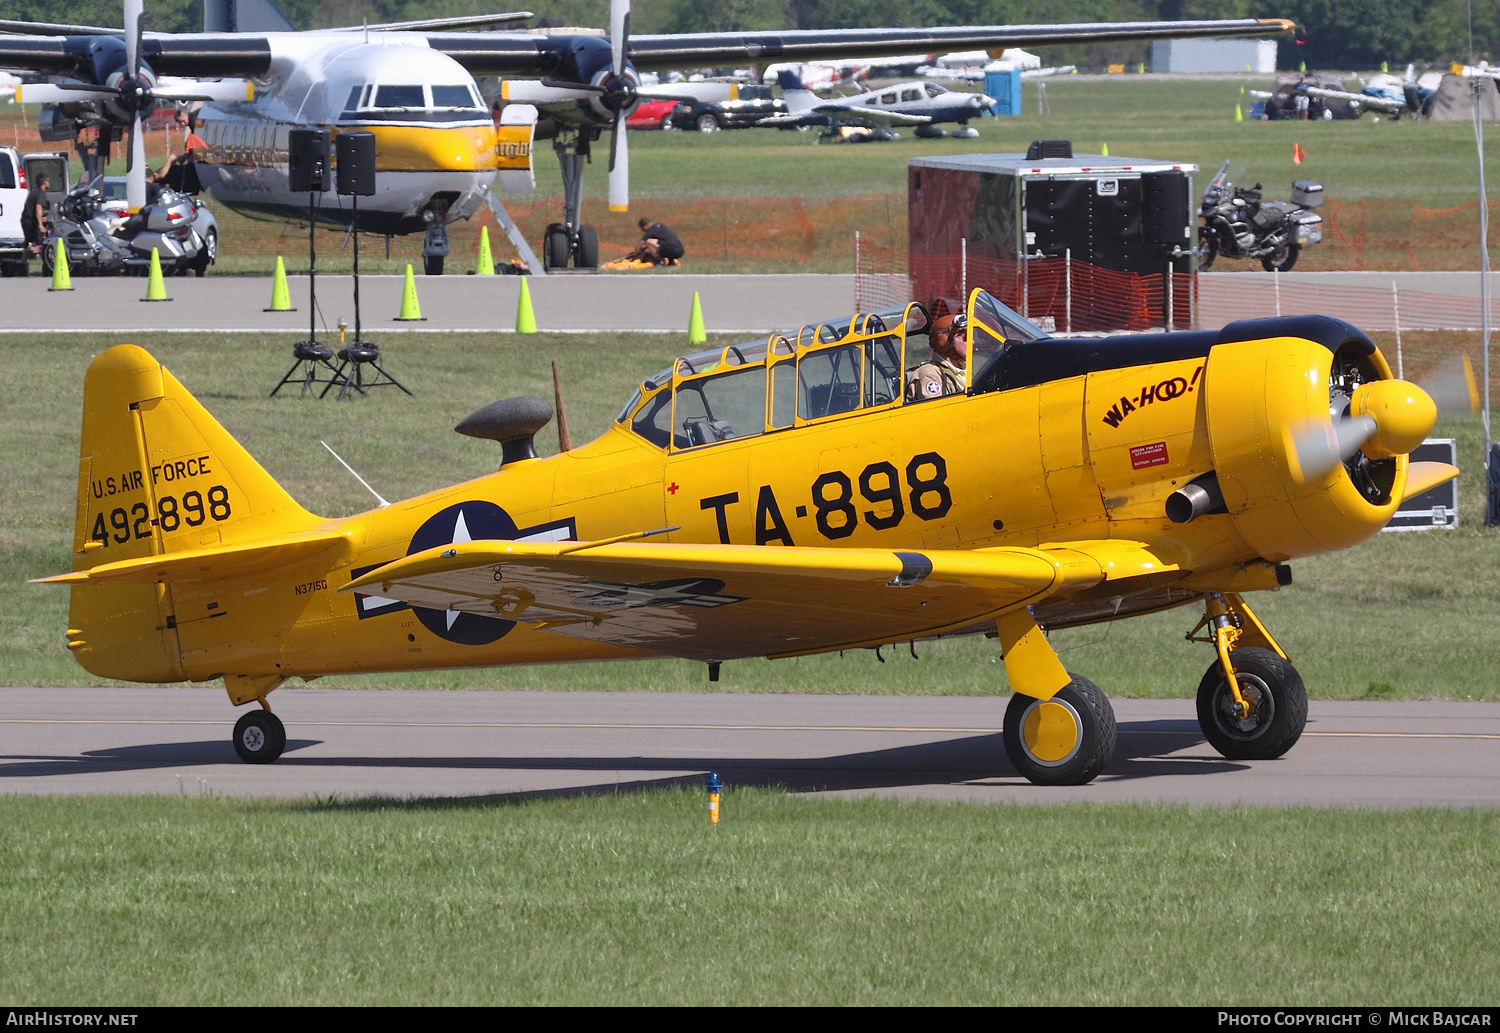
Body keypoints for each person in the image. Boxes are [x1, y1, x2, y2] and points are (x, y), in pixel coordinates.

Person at [905, 312, 967, 402]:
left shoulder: (962, 372)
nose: (972, 341)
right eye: (965, 337)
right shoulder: (931, 374)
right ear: (943, 339)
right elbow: (936, 413)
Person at [21, 173, 49, 254]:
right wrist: (40, 224)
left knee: (28, 242)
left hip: (26, 220)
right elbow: (38, 207)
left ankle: (22, 262)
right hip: (30, 221)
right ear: (44, 182)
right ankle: (47, 259)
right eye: (48, 181)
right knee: (39, 242)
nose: (49, 183)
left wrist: (42, 218)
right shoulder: (40, 193)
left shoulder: (35, 191)